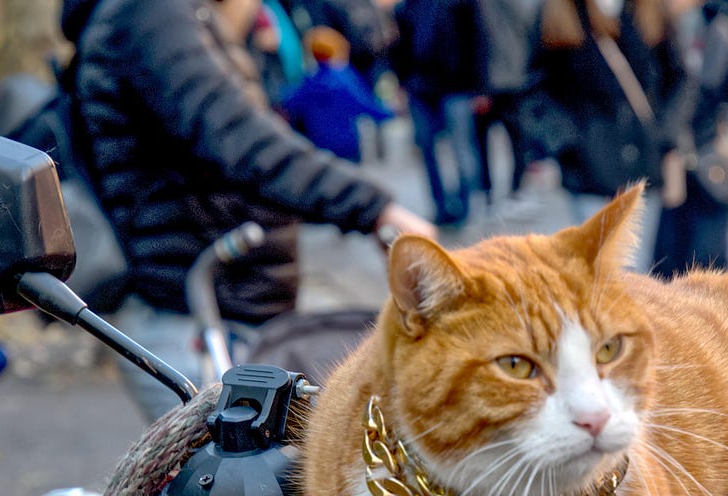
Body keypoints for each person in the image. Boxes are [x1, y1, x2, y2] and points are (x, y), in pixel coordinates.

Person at [63, 0, 434, 423]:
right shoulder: (150, 13)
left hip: (230, 309)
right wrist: (374, 209)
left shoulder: (168, 15)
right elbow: (240, 138)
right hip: (199, 315)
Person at [526, 0, 687, 223]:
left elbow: (680, 78)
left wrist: (664, 133)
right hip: (589, 169)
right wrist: (568, 142)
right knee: (601, 254)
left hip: (643, 158)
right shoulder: (561, 12)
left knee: (634, 255)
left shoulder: (649, 10)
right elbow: (535, 88)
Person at [650, 0, 728, 277]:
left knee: (706, 261)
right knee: (670, 260)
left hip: (707, 156)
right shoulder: (654, 28)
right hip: (673, 157)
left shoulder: (717, 28)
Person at [391, 0, 488, 227]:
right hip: (420, 87)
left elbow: (478, 42)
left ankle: (463, 204)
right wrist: (402, 82)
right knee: (427, 148)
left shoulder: (462, 4)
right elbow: (400, 46)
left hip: (456, 86)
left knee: (461, 149)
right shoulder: (407, 7)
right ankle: (441, 205)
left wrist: (481, 87)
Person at [280, 26, 394, 163]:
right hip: (347, 144)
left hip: (319, 144)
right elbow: (362, 104)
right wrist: (389, 113)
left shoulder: (308, 81)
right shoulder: (344, 77)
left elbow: (289, 101)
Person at [474, 0, 542, 214]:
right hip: (507, 79)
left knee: (500, 141)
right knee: (514, 140)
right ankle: (507, 192)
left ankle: (493, 194)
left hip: (499, 79)